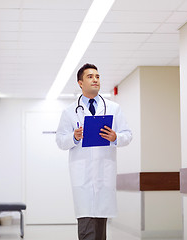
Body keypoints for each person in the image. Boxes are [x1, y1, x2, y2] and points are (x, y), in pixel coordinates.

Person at [56, 63, 132, 240]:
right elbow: (60, 140)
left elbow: (128, 135)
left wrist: (115, 137)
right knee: (87, 227)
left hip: (104, 176)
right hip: (82, 177)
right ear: (80, 83)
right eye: (90, 77)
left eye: (97, 76)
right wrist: (74, 137)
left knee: (100, 230)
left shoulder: (113, 108)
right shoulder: (69, 112)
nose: (95, 80)